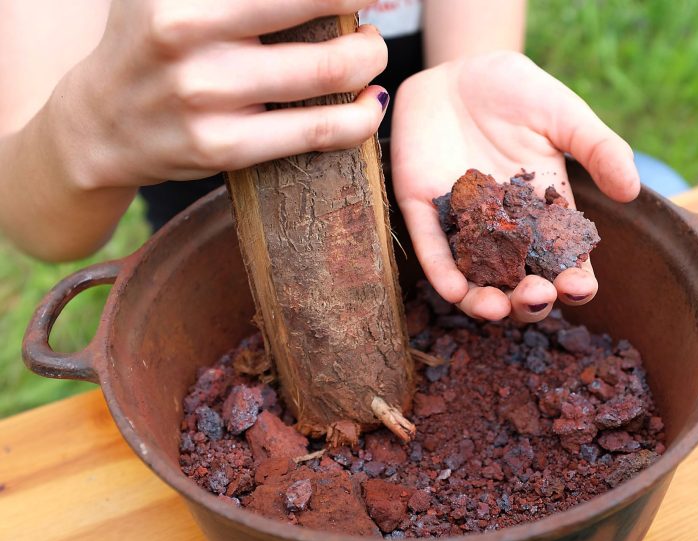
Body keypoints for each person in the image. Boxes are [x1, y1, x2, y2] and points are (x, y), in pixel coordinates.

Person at [0, 0, 640, 324]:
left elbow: (468, 57)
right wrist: (89, 126)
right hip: (218, 243)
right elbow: (45, 230)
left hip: (422, 166)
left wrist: (463, 78)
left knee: (660, 188)